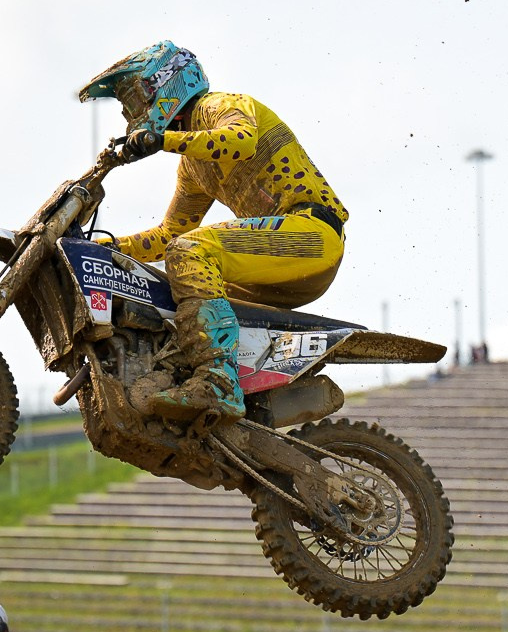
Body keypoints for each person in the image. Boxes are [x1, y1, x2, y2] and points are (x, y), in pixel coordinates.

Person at [83, 41, 348, 423]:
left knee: (190, 251)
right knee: (174, 278)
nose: (129, 111)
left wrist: (164, 140)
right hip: (277, 260)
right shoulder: (192, 166)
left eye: (134, 96)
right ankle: (189, 376)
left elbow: (241, 140)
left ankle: (218, 381)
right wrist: (107, 247)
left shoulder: (222, 106)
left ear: (166, 83)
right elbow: (169, 233)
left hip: (311, 233)